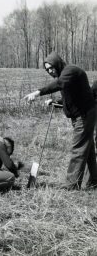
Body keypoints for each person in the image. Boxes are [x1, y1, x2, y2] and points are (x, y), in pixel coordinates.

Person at [24, 51, 97, 190]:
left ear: (58, 63)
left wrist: (38, 92)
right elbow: (70, 97)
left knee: (78, 149)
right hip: (81, 115)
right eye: (47, 70)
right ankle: (94, 180)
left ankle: (71, 185)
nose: (50, 71)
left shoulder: (70, 71)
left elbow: (60, 83)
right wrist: (55, 101)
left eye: (51, 67)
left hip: (85, 114)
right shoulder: (65, 76)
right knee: (87, 149)